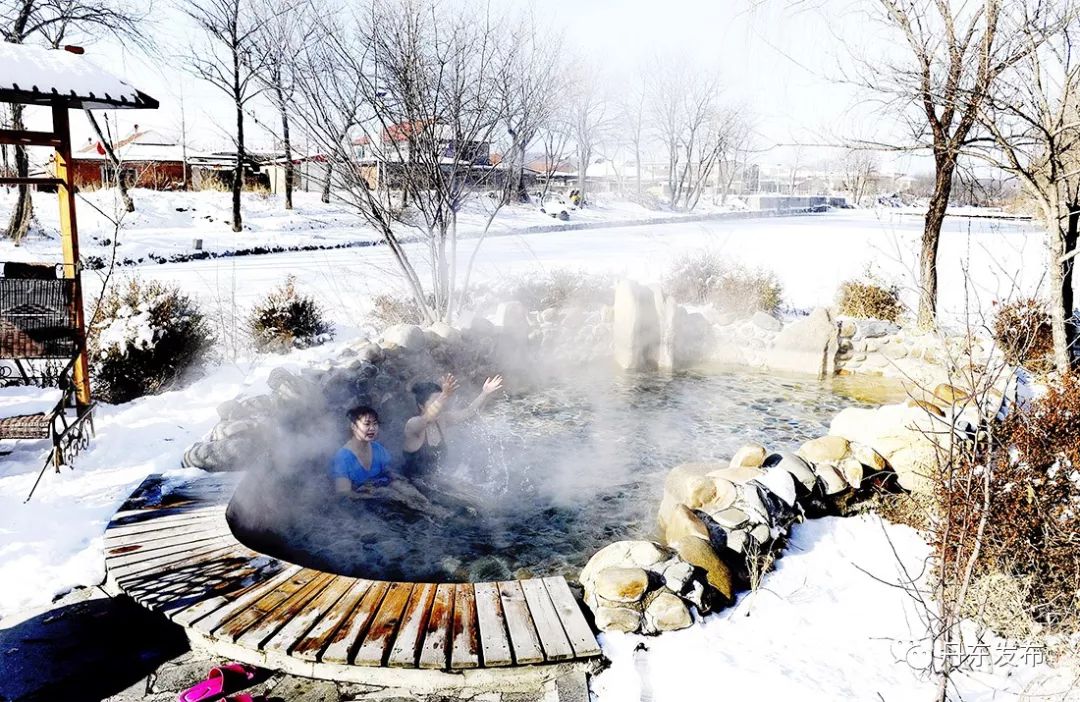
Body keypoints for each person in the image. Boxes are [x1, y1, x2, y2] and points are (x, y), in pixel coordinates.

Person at [332, 405, 451, 517]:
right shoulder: (343, 457)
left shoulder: (377, 448)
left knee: (412, 493)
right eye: (367, 424)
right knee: (396, 497)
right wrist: (373, 495)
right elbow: (344, 493)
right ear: (353, 426)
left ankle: (435, 511)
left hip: (382, 485)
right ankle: (431, 515)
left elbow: (388, 471)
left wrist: (399, 481)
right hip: (365, 498)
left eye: (375, 424)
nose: (372, 428)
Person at [403, 373, 503, 479]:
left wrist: (485, 393)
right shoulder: (413, 425)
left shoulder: (442, 420)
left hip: (435, 482)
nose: (442, 405)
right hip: (412, 483)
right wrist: (444, 396)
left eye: (442, 400)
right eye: (435, 401)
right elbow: (427, 419)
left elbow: (468, 412)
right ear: (421, 406)